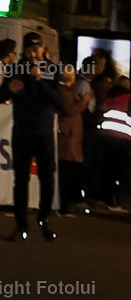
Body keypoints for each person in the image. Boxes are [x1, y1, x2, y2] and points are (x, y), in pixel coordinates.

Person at [0, 31, 62, 241]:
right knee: (21, 179)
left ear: (43, 49)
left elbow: (58, 100)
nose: (33, 54)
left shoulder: (51, 69)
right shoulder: (16, 68)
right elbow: (0, 97)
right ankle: (21, 225)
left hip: (44, 131)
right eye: (29, 49)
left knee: (47, 178)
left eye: (37, 49)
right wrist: (9, 88)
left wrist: (39, 80)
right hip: (23, 130)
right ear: (24, 50)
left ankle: (44, 219)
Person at [57, 64, 93, 214]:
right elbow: (70, 110)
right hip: (67, 136)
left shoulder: (69, 91)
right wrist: (84, 101)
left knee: (71, 171)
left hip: (72, 136)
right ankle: (64, 202)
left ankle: (70, 200)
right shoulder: (64, 92)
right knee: (67, 171)